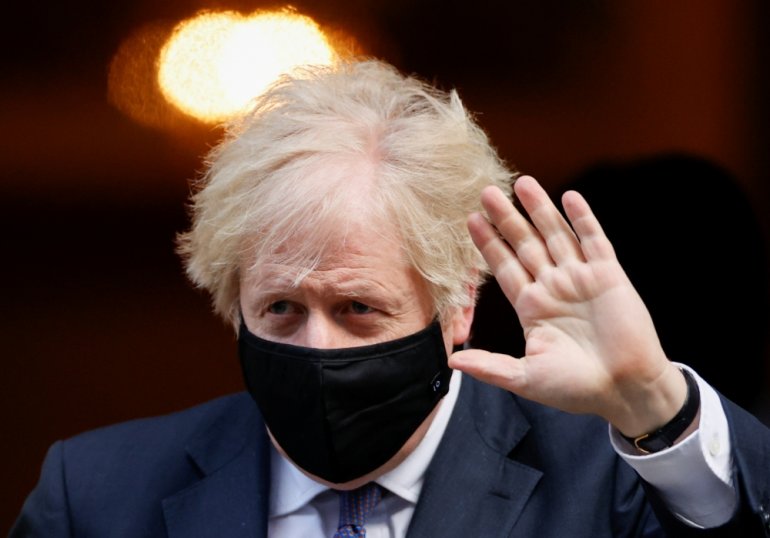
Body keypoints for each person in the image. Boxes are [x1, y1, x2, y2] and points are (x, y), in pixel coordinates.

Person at [11, 59, 770, 537]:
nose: (315, 349)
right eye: (280, 309)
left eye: (357, 309)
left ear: (457, 309)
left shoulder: (606, 489)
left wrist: (653, 405)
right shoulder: (98, 497)